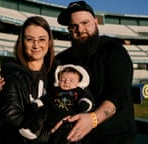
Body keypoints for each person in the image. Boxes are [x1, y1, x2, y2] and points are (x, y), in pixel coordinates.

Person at [53, 1, 137, 144]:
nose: (80, 30)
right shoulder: (62, 59)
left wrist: (92, 119)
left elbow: (118, 94)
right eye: (74, 26)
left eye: (85, 23)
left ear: (96, 22)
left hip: (114, 137)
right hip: (74, 138)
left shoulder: (114, 50)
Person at [0, 16, 56, 144]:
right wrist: (52, 135)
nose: (36, 45)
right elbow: (11, 120)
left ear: (49, 42)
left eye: (42, 39)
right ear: (22, 42)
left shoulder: (58, 74)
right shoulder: (11, 75)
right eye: (29, 39)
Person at [19, 64, 95, 144]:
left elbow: (86, 98)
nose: (66, 82)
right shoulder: (55, 90)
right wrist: (37, 103)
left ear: (78, 83)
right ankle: (32, 130)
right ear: (58, 80)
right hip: (50, 114)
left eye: (71, 80)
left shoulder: (78, 92)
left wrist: (85, 104)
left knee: (65, 133)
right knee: (40, 114)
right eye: (63, 79)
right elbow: (46, 98)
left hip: (67, 118)